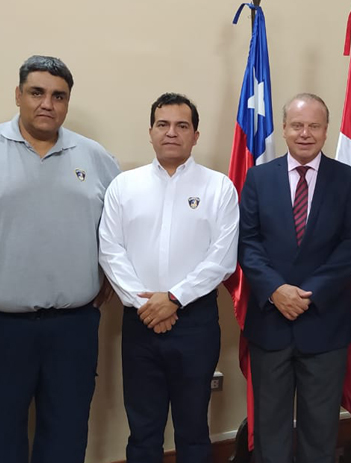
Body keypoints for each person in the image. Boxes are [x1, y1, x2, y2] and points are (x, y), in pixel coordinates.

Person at [0, 55, 120, 463]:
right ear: (18, 95)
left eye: (58, 96)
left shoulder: (96, 158)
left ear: (67, 102)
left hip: (73, 330)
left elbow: (119, 228)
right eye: (37, 92)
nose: (47, 103)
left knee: (66, 439)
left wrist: (107, 280)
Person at [98, 93, 238, 463]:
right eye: (163, 124)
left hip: (196, 323)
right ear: (150, 132)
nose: (171, 133)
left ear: (195, 135)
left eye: (182, 125)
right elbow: (110, 251)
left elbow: (222, 258)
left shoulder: (219, 188)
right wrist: (148, 305)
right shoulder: (123, 186)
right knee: (143, 429)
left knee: (193, 429)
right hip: (140, 323)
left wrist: (172, 298)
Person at [238, 93, 351, 463]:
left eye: (314, 126)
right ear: (284, 129)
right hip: (270, 322)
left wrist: (308, 294)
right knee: (270, 431)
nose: (305, 133)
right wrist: (276, 290)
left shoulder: (349, 180)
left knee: (320, 430)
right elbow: (247, 243)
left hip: (324, 324)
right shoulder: (258, 178)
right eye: (297, 125)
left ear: (326, 130)